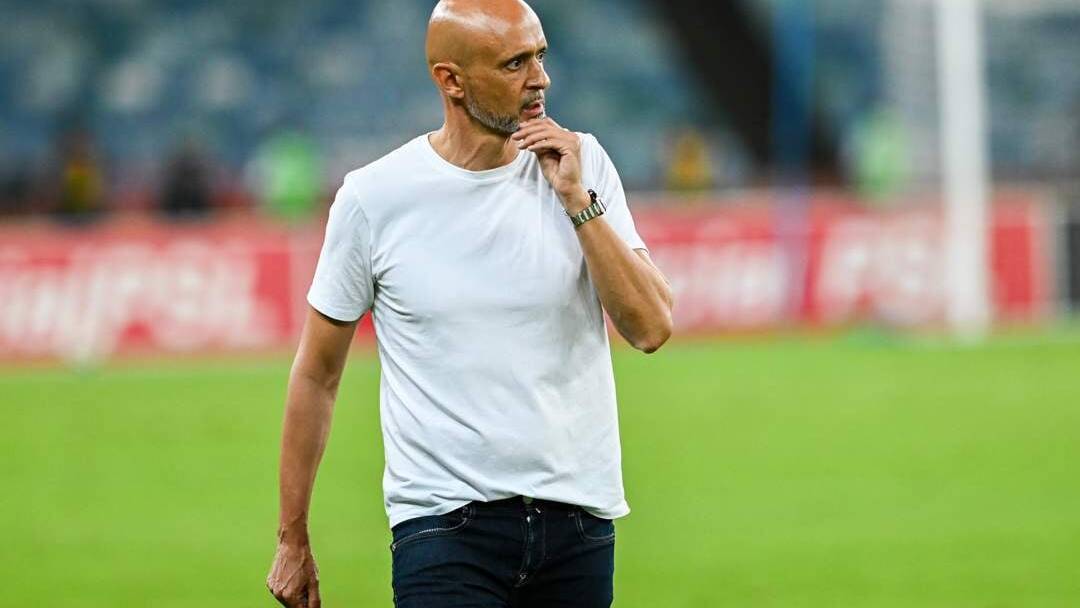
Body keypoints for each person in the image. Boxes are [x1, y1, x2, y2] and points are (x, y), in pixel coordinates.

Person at [266, 1, 674, 606]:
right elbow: (317, 374)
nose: (540, 79)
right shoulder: (374, 198)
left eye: (540, 56)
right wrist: (291, 537)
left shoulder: (581, 164)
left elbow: (651, 327)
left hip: (578, 524)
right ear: (451, 80)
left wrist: (576, 200)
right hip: (445, 528)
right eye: (515, 63)